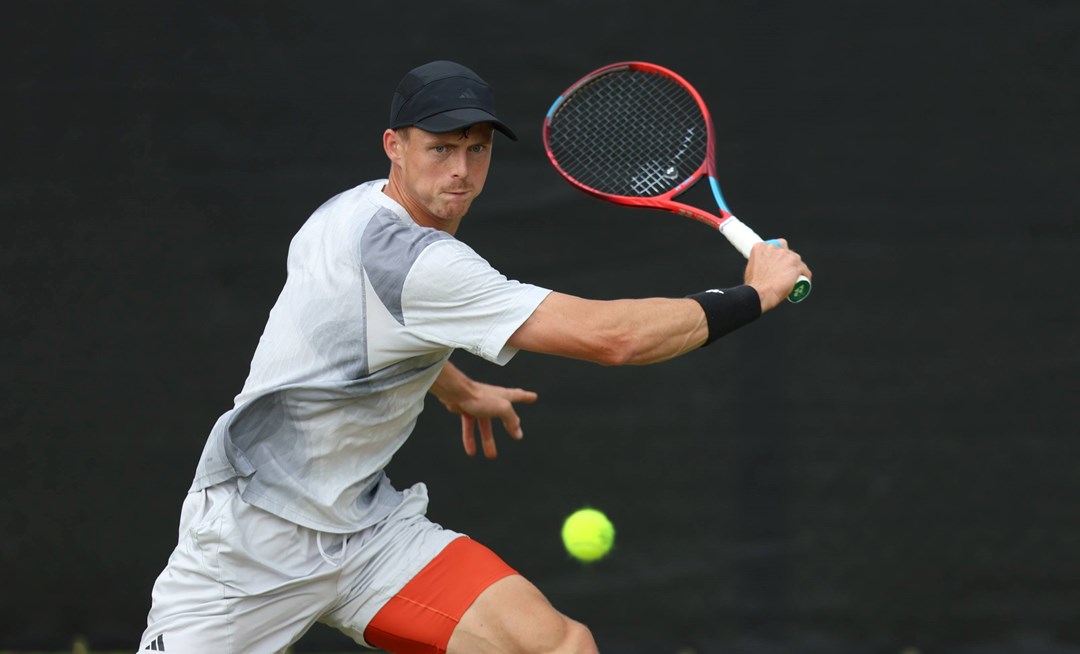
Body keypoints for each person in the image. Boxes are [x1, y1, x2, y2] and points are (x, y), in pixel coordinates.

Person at [138, 60, 811, 654]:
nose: (460, 171)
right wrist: (754, 294)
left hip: (367, 536)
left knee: (558, 647)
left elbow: (358, 336)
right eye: (440, 149)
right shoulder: (422, 263)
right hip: (251, 544)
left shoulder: (339, 214)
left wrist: (454, 386)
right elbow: (615, 338)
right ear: (394, 147)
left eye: (476, 149)